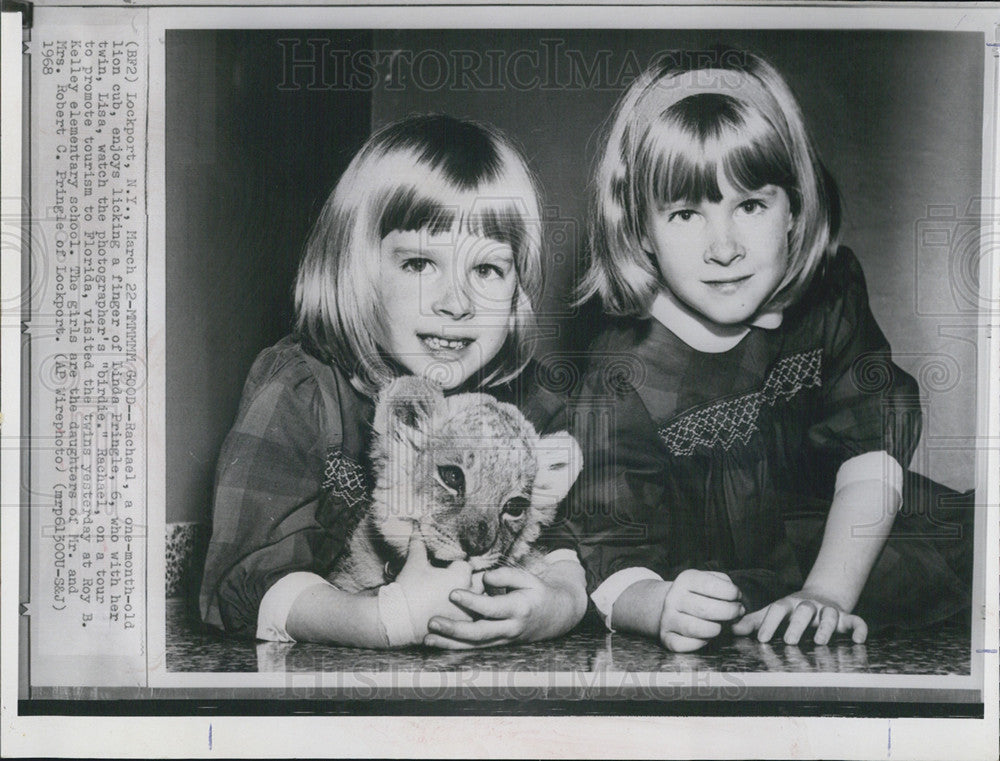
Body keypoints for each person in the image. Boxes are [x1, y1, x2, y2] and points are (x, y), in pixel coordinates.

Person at [547, 51, 973, 652]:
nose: (724, 248)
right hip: (720, 581)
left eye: (750, 205)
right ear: (640, 227)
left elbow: (871, 449)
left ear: (795, 208)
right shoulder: (624, 374)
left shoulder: (828, 299)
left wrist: (827, 592)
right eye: (686, 212)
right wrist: (660, 605)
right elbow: (613, 554)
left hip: (850, 543)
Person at [199, 114, 587, 648]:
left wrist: (559, 604)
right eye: (421, 263)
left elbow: (565, 539)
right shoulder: (299, 394)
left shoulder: (528, 402)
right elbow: (242, 585)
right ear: (355, 270)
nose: (457, 303)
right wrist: (388, 619)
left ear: (519, 289)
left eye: (487, 270)